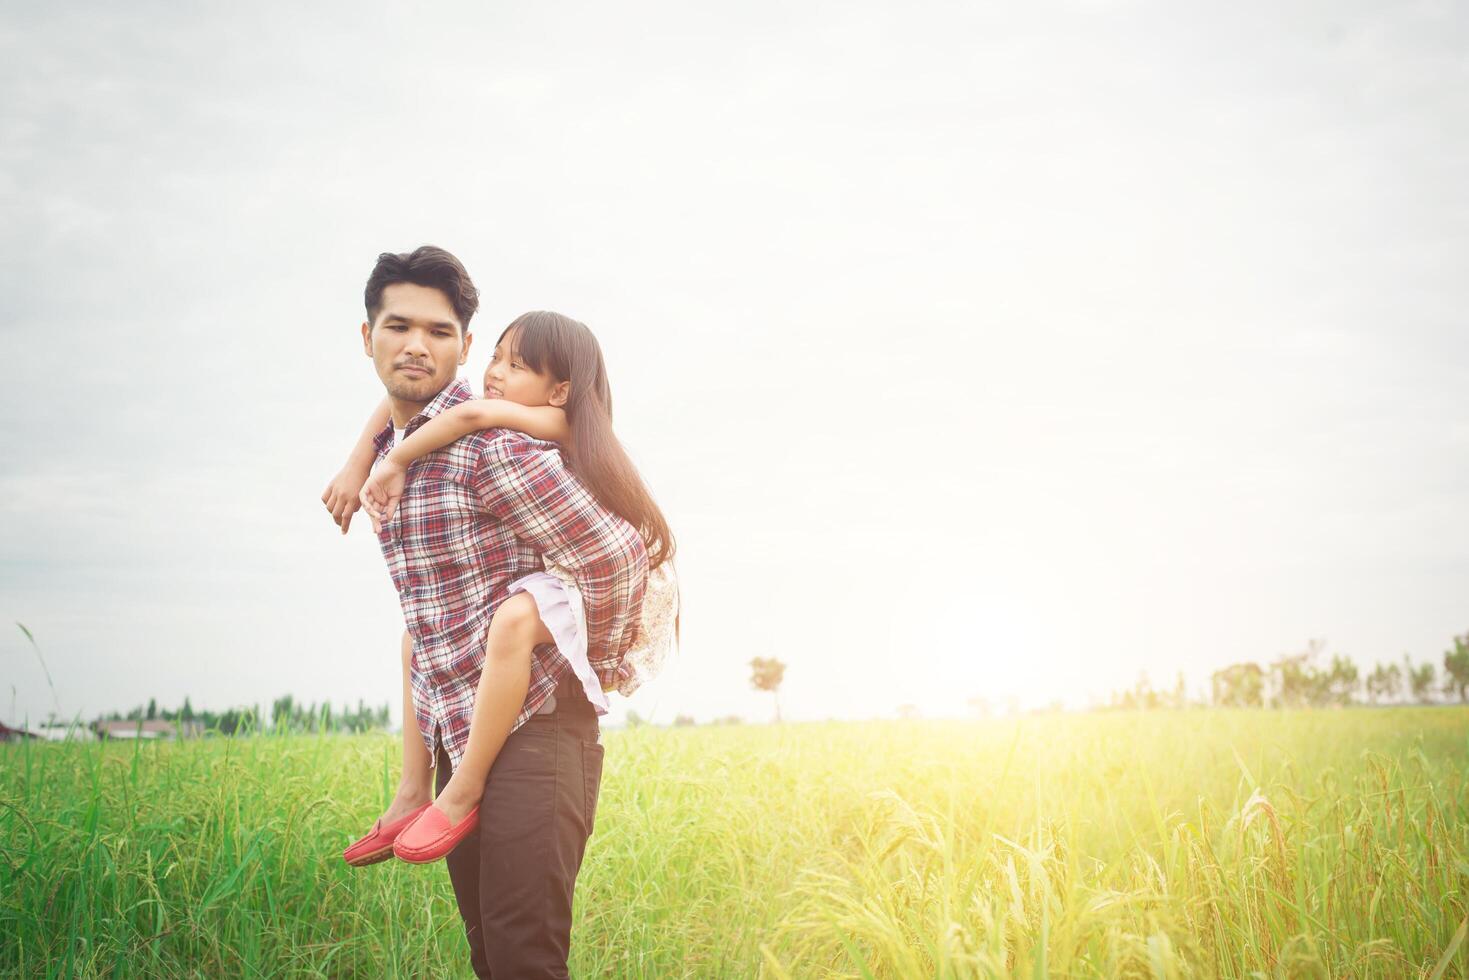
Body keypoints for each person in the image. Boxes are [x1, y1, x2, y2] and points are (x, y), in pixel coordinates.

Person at [322, 246, 657, 978]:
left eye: (439, 332)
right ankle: (418, 791)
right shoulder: (403, 447)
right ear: (367, 336)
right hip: (458, 736)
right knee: (490, 956)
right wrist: (362, 460)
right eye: (398, 326)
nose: (417, 345)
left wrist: (553, 628)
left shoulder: (492, 448)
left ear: (465, 349)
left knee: (522, 958)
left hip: (537, 735)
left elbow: (620, 557)